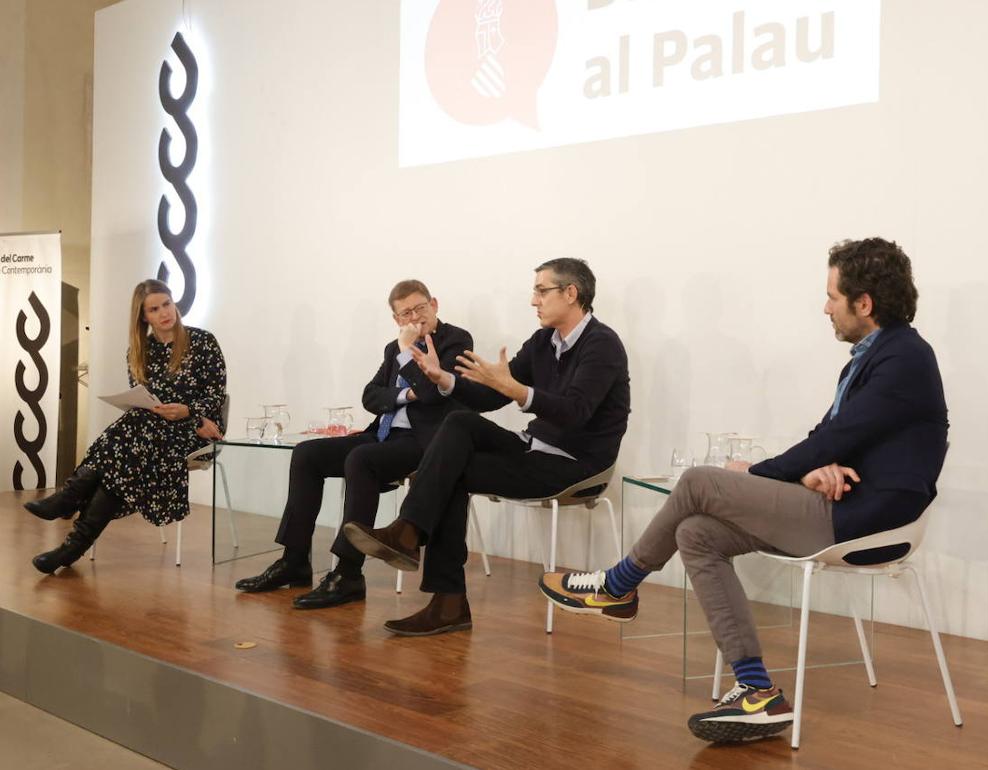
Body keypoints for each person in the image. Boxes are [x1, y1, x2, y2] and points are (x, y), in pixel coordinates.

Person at [540, 238, 949, 743]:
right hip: (844, 503)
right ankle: (757, 692)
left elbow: (841, 438)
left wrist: (756, 475)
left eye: (832, 297)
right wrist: (810, 469)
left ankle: (619, 584)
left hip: (870, 519)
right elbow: (832, 439)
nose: (825, 308)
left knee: (698, 482)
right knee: (696, 533)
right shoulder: (869, 359)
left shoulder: (904, 356)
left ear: (864, 303)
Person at [343, 258, 631, 637]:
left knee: (451, 470)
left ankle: (434, 577)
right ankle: (413, 544)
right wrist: (442, 377)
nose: (534, 301)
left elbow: (575, 412)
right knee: (458, 423)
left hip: (575, 463)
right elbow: (488, 397)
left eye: (542, 291)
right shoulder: (544, 341)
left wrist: (516, 390)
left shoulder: (602, 344)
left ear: (571, 293)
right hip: (534, 448)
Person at [234, 279, 473, 609]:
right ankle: (294, 560)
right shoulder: (394, 349)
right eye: (406, 313)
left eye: (420, 308)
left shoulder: (455, 340)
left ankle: (348, 574)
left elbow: (434, 393)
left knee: (362, 459)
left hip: (426, 442)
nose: (415, 318)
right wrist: (406, 392)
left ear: (434, 304)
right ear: (396, 319)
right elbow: (370, 396)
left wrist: (408, 360)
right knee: (308, 454)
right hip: (383, 435)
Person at [25, 279, 227, 574]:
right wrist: (156, 410)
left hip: (196, 430)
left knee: (131, 442)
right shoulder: (139, 351)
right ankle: (70, 546)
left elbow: (216, 396)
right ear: (144, 316)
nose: (164, 313)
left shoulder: (203, 342)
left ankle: (69, 502)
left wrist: (189, 413)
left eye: (167, 304)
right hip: (150, 432)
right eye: (155, 309)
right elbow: (143, 400)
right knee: (132, 444)